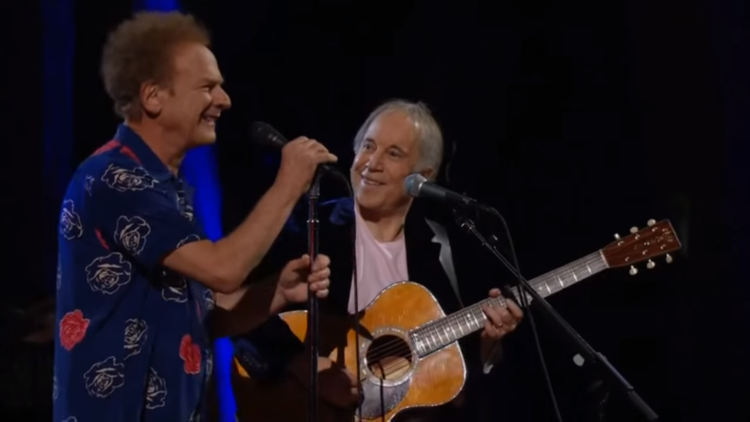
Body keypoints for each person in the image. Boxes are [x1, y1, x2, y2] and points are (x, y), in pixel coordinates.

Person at [53, 11, 337, 422]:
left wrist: (274, 293)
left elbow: (206, 320)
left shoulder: (165, 190)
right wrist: (289, 182)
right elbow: (223, 270)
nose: (225, 100)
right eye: (207, 87)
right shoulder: (113, 177)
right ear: (153, 97)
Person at [225, 100, 525, 421]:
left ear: (422, 177)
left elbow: (449, 387)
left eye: (393, 154)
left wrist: (487, 347)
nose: (372, 163)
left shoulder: (434, 253)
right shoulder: (311, 224)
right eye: (368, 146)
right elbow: (232, 307)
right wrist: (305, 365)